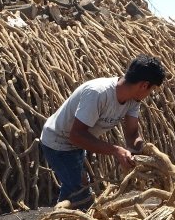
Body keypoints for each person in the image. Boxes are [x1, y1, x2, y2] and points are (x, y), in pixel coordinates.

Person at [40, 55, 166, 210]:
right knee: (80, 192)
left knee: (75, 186)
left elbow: (132, 134)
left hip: (77, 142)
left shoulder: (133, 100)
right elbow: (76, 135)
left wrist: (144, 151)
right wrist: (116, 150)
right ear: (144, 85)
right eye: (152, 89)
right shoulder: (98, 93)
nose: (150, 93)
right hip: (58, 141)